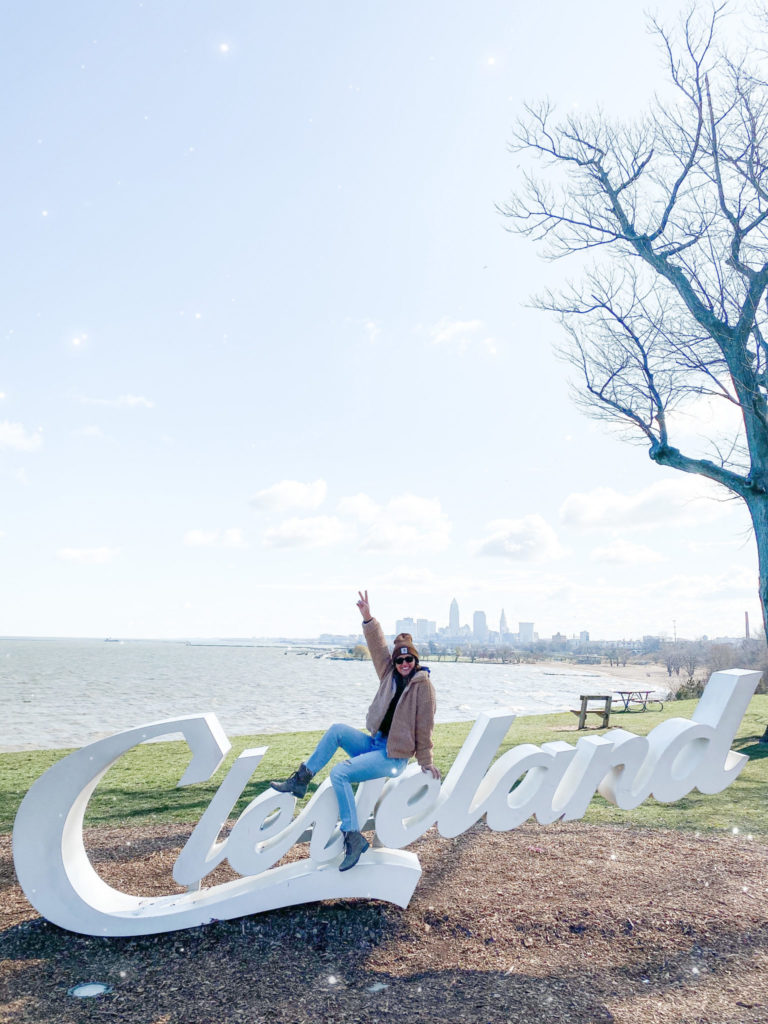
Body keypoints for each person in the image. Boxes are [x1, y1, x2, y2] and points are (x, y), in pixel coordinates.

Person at [271, 589, 439, 871]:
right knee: (337, 730)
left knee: (340, 772)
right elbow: (377, 647)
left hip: (393, 756)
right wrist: (368, 618)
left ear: (416, 660)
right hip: (376, 744)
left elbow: (426, 726)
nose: (404, 664)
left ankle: (352, 836)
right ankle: (302, 779)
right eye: (400, 660)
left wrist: (426, 762)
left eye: (409, 660)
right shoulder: (389, 674)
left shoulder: (423, 686)